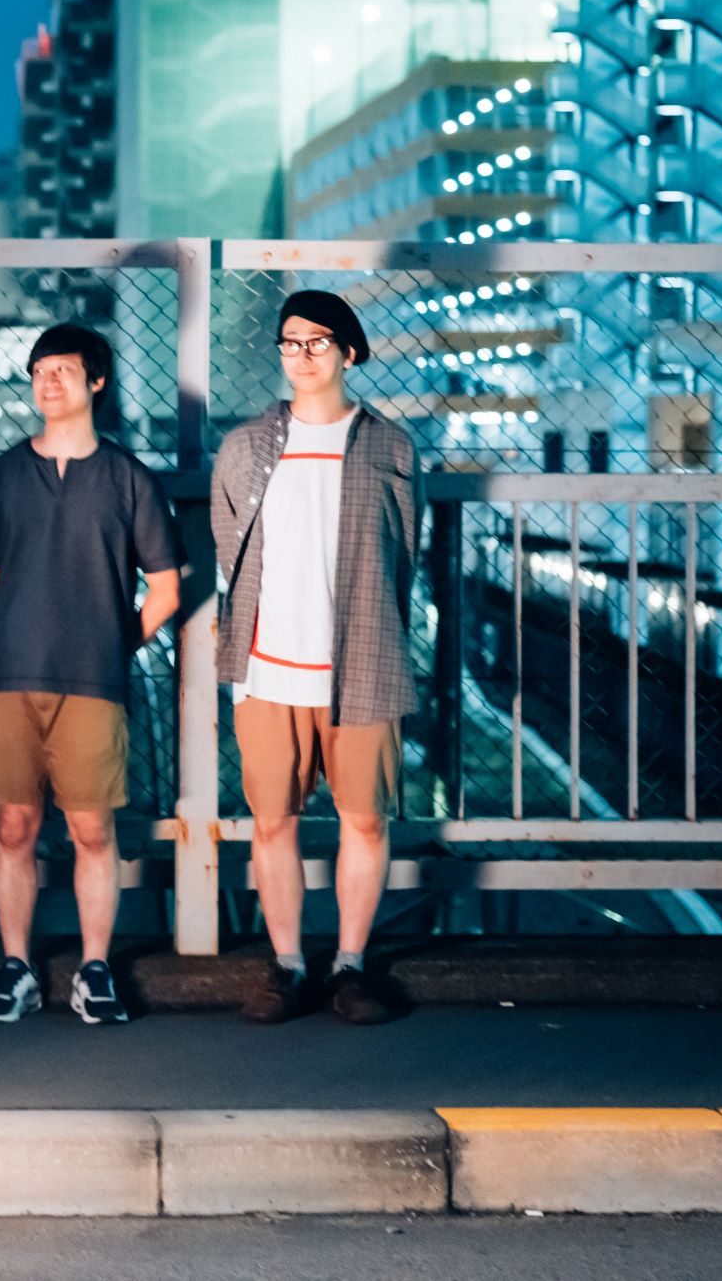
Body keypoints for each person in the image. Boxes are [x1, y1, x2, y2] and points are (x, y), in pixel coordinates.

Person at [211, 289, 423, 1026]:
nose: (301, 355)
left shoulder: (390, 445)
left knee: (365, 820)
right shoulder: (244, 446)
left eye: (317, 341)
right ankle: (287, 965)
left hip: (362, 661)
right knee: (272, 822)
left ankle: (350, 965)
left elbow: (404, 550)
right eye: (290, 342)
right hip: (268, 667)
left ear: (348, 352)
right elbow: (230, 551)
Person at [0, 323, 183, 1025]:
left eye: (62, 369)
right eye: (38, 371)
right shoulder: (1, 476)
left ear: (96, 381)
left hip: (93, 680)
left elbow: (166, 589)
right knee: (12, 828)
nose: (48, 382)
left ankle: (94, 969)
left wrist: (112, 646)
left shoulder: (129, 478)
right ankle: (16, 968)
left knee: (92, 829)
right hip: (8, 675)